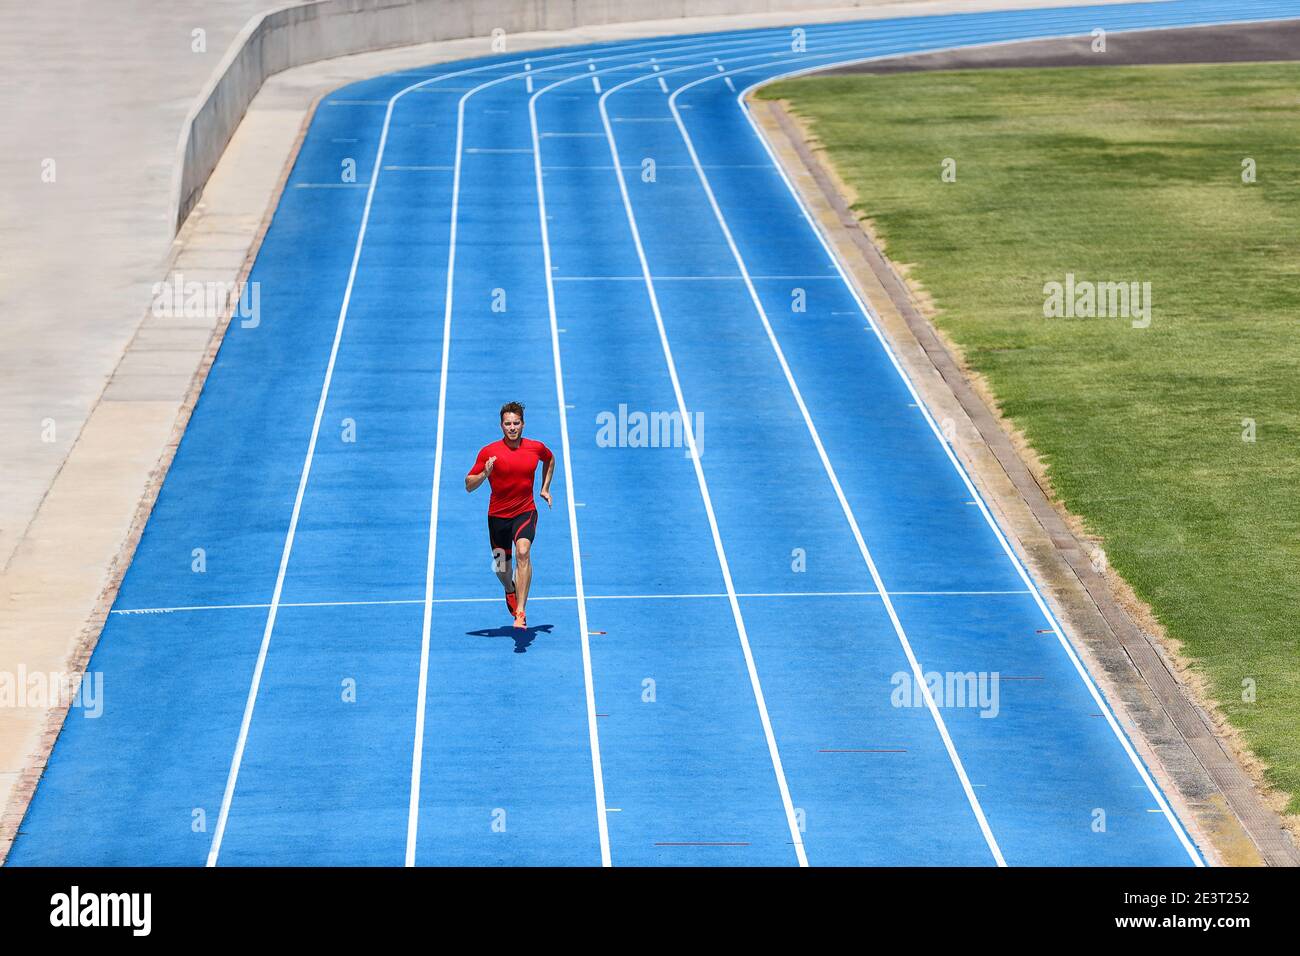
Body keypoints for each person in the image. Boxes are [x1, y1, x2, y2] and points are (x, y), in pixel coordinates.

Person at [465, 401, 554, 629]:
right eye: (507, 424)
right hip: (497, 517)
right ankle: (509, 588)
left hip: (525, 511)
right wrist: (485, 473)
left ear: (523, 424)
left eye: (516, 423)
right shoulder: (489, 452)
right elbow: (468, 485)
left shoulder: (535, 448)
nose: (512, 427)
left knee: (523, 552)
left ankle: (521, 611)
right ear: (501, 426)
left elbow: (550, 459)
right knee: (502, 569)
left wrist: (545, 488)